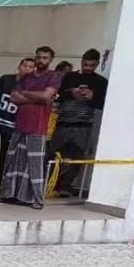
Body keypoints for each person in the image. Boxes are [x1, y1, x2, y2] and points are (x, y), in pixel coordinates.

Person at [0, 46, 62, 210]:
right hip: (20, 124)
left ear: (50, 60)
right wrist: (37, 97)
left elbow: (46, 96)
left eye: (45, 58)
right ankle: (10, 194)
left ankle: (36, 199)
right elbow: (14, 97)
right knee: (13, 161)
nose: (41, 60)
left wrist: (26, 94)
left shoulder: (53, 76)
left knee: (34, 164)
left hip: (37, 126)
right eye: (39, 57)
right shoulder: (27, 77)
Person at [48, 48, 108, 196]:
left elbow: (104, 104)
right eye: (85, 64)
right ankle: (48, 184)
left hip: (84, 125)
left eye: (91, 65)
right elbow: (55, 95)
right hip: (63, 122)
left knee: (77, 157)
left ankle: (63, 186)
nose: (87, 68)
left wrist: (92, 97)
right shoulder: (68, 77)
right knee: (52, 154)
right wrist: (70, 93)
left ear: (97, 64)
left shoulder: (101, 82)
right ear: (81, 61)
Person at [0, 57, 34, 195]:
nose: (26, 68)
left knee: (5, 155)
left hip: (12, 124)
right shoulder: (6, 79)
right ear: (19, 66)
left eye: (30, 67)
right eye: (24, 65)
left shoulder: (31, 86)